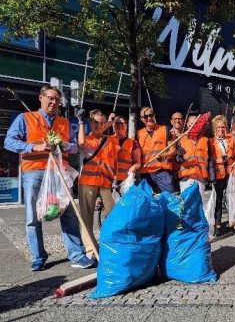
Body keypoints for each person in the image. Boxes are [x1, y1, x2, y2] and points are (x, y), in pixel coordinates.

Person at [4, 85, 93, 271]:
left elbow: (76, 148)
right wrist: (34, 147)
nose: (53, 102)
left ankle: (77, 254)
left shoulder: (64, 122)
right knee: (33, 217)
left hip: (60, 172)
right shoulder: (25, 118)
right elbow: (9, 142)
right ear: (41, 97)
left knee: (68, 214)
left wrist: (65, 144)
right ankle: (38, 257)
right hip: (34, 172)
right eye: (50, 98)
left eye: (57, 100)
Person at [78, 109, 117, 262]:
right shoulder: (87, 139)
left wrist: (115, 181)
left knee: (113, 214)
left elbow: (114, 163)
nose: (98, 125)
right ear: (90, 123)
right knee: (86, 217)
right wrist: (80, 121)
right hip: (87, 183)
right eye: (95, 122)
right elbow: (81, 143)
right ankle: (91, 250)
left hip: (106, 183)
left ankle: (112, 244)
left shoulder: (110, 140)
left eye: (101, 123)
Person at [137, 107, 175, 193]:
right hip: (145, 173)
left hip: (162, 171)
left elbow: (173, 150)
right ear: (142, 119)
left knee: (168, 198)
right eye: (146, 116)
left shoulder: (165, 129)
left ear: (154, 116)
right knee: (147, 200)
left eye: (151, 115)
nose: (149, 118)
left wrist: (163, 155)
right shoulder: (138, 134)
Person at [177, 115, 212, 202]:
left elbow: (210, 159)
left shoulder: (205, 140)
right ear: (187, 125)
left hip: (200, 178)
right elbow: (176, 159)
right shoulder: (181, 139)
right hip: (186, 178)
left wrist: (212, 177)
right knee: (186, 204)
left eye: (195, 123)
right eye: (191, 123)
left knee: (199, 204)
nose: (192, 125)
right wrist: (179, 156)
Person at [209, 115, 229, 236]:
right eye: (218, 127)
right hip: (218, 174)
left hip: (230, 173)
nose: (221, 129)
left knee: (231, 199)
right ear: (214, 129)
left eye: (223, 127)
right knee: (218, 200)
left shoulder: (230, 140)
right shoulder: (210, 141)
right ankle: (217, 225)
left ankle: (234, 223)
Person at [111, 116, 141, 184]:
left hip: (126, 180)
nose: (119, 126)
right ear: (113, 126)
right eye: (117, 123)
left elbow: (138, 162)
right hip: (109, 179)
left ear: (126, 126)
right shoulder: (107, 140)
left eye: (122, 123)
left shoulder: (133, 143)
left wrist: (134, 167)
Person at [169, 112, 184, 191]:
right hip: (170, 170)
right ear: (171, 121)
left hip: (183, 170)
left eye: (180, 119)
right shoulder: (167, 134)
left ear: (183, 121)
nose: (177, 121)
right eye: (175, 119)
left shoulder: (186, 135)